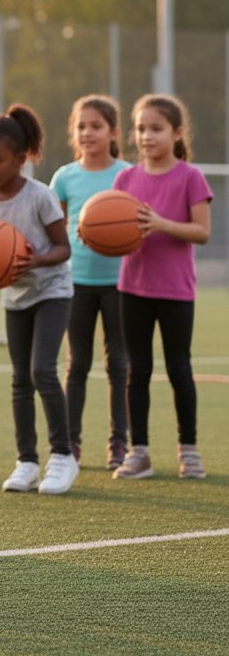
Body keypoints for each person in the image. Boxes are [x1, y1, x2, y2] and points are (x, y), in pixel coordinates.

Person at [0, 104, 77, 495]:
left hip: (52, 290)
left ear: (21, 159)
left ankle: (62, 455)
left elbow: (63, 248)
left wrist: (34, 260)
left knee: (43, 370)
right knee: (20, 378)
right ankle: (26, 461)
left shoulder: (40, 197)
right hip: (16, 297)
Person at [111, 94, 211, 481]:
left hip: (175, 290)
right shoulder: (125, 178)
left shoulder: (190, 177)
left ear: (177, 132)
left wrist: (162, 223)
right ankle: (140, 453)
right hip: (133, 287)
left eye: (156, 128)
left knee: (179, 368)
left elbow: (202, 232)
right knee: (136, 370)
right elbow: (114, 229)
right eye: (141, 129)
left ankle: (189, 450)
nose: (147, 136)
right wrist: (97, 235)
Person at [49, 95, 131, 469]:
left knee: (120, 365)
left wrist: (113, 235)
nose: (87, 133)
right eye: (81, 126)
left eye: (96, 126)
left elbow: (137, 226)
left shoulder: (128, 175)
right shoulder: (65, 177)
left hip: (120, 282)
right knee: (76, 363)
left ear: (114, 132)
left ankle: (119, 444)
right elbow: (54, 232)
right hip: (75, 283)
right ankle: (71, 443)